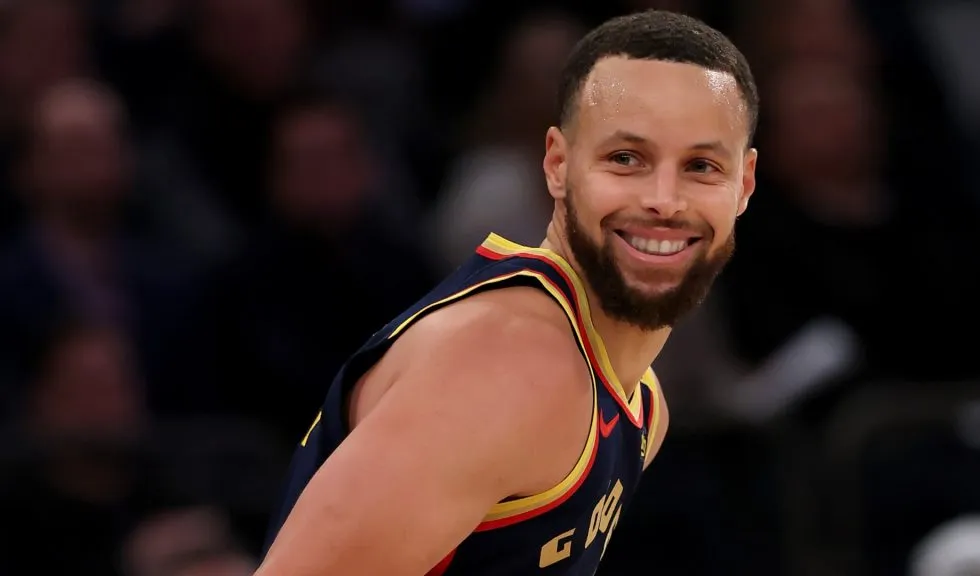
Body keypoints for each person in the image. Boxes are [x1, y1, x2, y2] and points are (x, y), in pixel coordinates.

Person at [258, 10, 759, 575]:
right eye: (626, 159)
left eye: (701, 165)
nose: (664, 200)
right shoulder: (511, 365)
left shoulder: (640, 399)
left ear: (743, 184)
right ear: (557, 165)